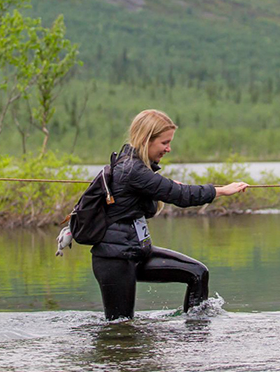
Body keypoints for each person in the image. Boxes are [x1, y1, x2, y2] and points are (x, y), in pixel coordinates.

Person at [91, 109, 248, 320]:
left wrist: (164, 188)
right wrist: (221, 190)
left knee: (198, 274)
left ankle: (196, 337)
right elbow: (182, 196)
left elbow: (159, 195)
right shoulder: (132, 170)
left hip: (137, 252)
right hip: (115, 260)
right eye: (164, 142)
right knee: (121, 325)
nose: (168, 148)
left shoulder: (139, 170)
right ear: (147, 140)